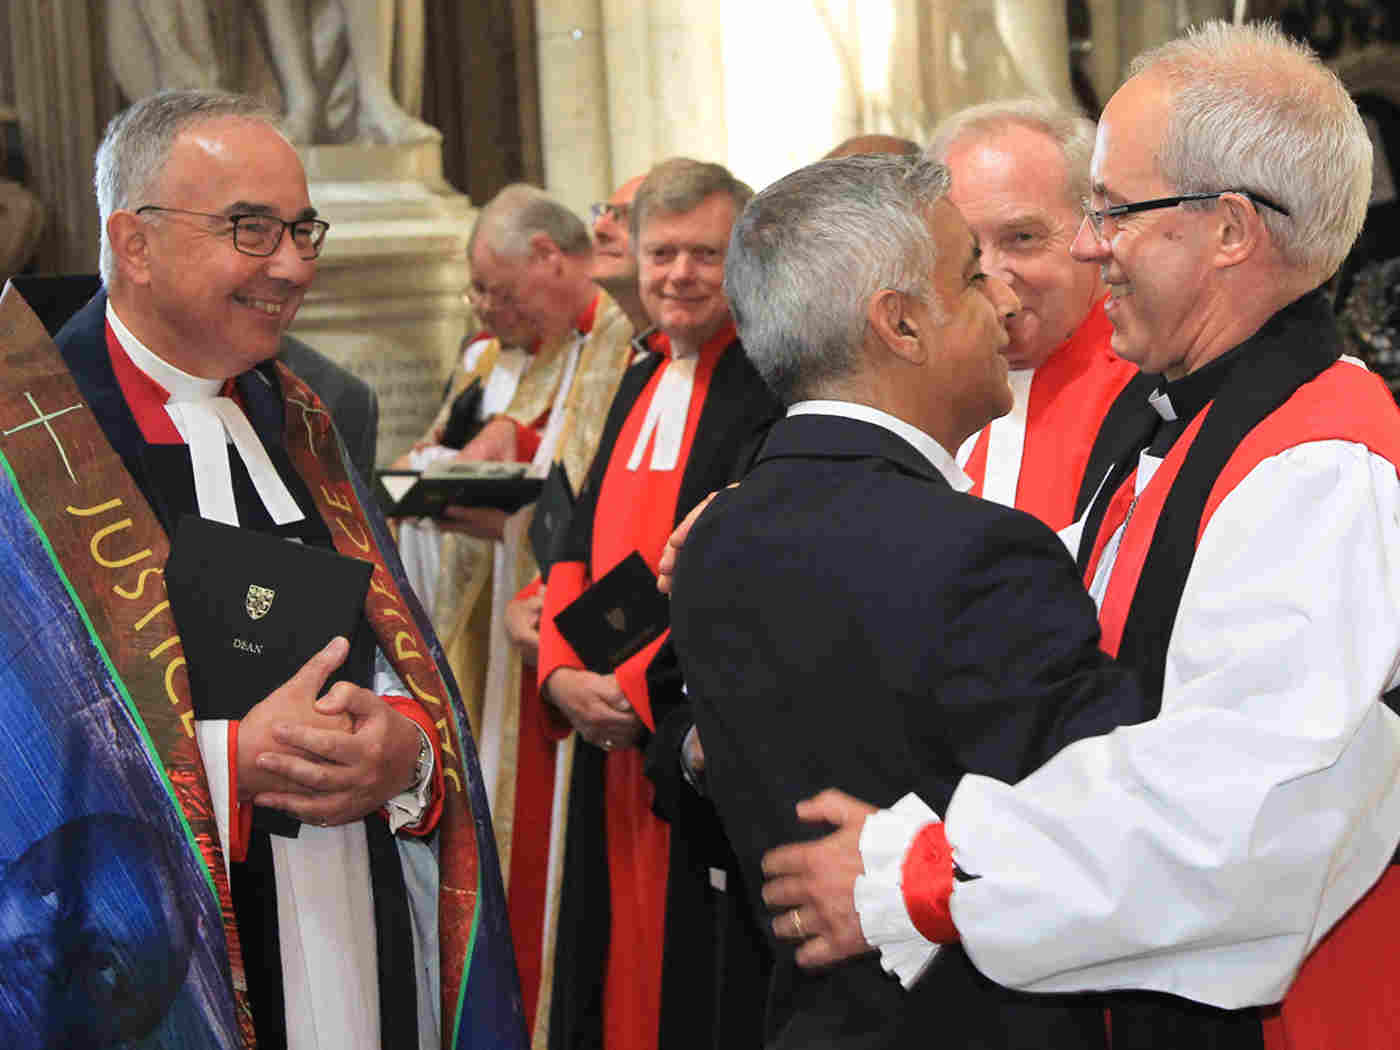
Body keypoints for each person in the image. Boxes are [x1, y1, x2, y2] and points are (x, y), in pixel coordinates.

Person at [759, 21, 1400, 1049]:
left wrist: (923, 880)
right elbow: (1037, 612)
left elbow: (1232, 818)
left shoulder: (1315, 463)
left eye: (1111, 209)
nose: (1087, 243)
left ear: (1228, 231)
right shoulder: (1184, 416)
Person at [31, 89, 519, 1049]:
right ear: (134, 243)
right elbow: (21, 747)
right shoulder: (35, 454)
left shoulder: (302, 418)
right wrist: (221, 764)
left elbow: (399, 667)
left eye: (302, 229)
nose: (293, 266)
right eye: (251, 230)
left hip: (350, 932)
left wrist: (406, 753)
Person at [668, 152, 1156, 1049]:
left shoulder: (711, 541)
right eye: (971, 278)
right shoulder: (977, 553)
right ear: (900, 325)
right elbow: (1116, 817)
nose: (1002, 304)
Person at [536, 157, 781, 1050]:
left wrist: (636, 687)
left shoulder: (765, 386)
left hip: (684, 731)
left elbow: (741, 569)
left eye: (704, 254)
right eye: (662, 252)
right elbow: (580, 532)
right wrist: (559, 669)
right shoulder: (642, 373)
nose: (678, 274)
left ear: (744, 260)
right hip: (605, 726)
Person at [932, 98, 1140, 529]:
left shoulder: (1150, 391)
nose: (991, 276)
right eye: (967, 248)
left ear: (1095, 229)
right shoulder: (919, 389)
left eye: (1022, 237)